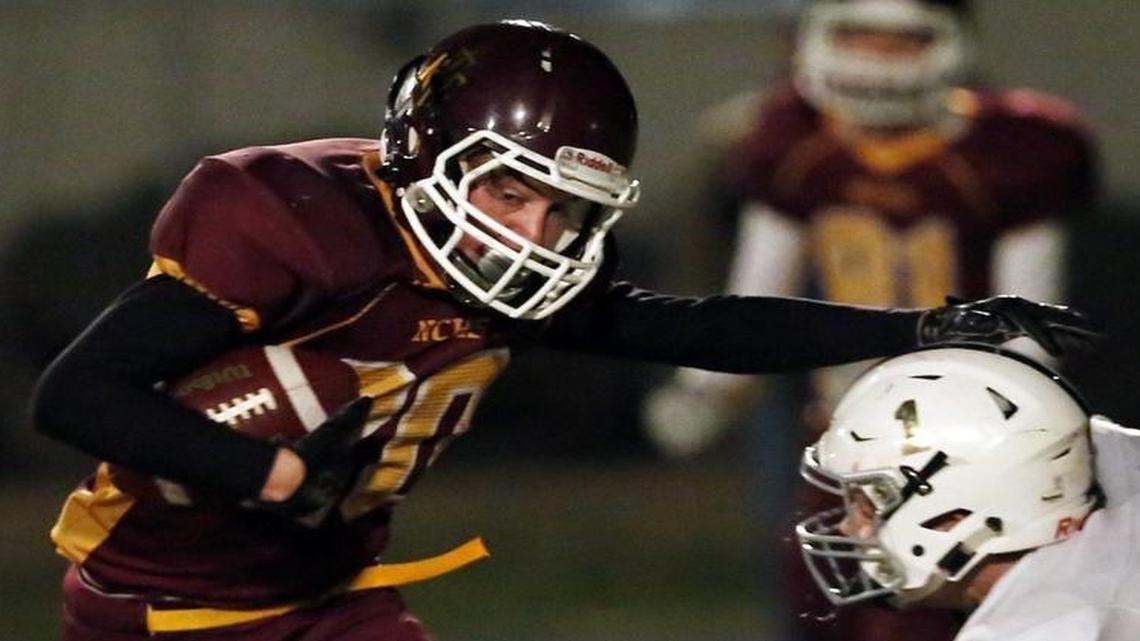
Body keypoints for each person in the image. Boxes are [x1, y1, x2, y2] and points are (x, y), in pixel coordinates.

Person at [31, 19, 1095, 641]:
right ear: (427, 154)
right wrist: (262, 475)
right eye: (508, 196)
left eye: (564, 212)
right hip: (162, 603)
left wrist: (915, 322)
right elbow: (77, 396)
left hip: (333, 591)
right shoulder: (290, 222)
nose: (533, 237)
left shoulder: (513, 270)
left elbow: (696, 325)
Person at [643, 1, 1096, 638]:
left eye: (898, 42)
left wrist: (1004, 424)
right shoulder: (793, 142)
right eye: (860, 37)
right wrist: (709, 387)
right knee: (822, 601)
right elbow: (753, 299)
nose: (876, 61)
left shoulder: (1014, 150)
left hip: (966, 435)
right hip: (841, 422)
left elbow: (1032, 332)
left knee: (954, 611)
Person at [796, 345, 1140, 641]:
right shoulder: (1124, 484)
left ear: (952, 516)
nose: (846, 529)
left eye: (867, 507)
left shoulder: (1030, 629)